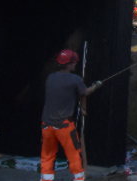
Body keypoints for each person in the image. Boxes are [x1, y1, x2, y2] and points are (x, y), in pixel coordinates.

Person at [40, 49, 102, 181]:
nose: (75, 64)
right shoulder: (75, 79)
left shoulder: (50, 78)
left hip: (46, 125)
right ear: (69, 64)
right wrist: (96, 85)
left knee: (47, 155)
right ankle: (79, 178)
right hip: (64, 126)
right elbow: (84, 93)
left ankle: (46, 179)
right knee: (73, 154)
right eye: (74, 62)